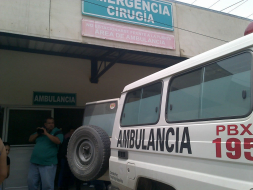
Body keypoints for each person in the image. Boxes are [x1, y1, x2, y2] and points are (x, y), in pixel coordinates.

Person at [27, 117, 64, 190]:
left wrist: (46, 134)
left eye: (52, 123)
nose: (51, 125)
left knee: (47, 186)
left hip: (48, 163)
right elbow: (30, 139)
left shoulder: (57, 131)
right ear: (45, 124)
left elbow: (58, 141)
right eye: (49, 123)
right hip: (35, 162)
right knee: (31, 182)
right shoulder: (40, 131)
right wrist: (38, 132)